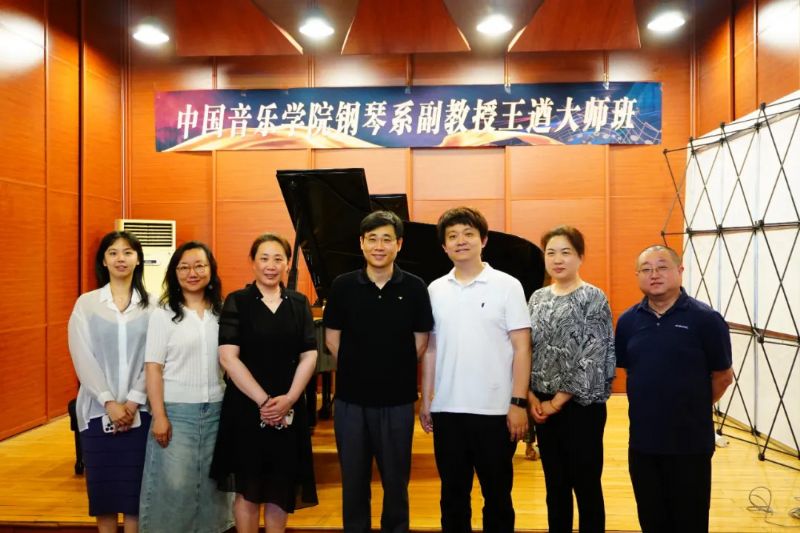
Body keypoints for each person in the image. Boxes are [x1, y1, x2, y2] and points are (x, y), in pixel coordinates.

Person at [420, 206, 531, 533]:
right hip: (447, 410)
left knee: (497, 497)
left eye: (468, 234)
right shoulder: (435, 289)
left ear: (483, 240)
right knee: (452, 498)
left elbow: (522, 348)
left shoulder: (508, 285)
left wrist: (518, 402)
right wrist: (426, 399)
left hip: (495, 412)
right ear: (444, 246)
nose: (461, 241)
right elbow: (431, 349)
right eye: (452, 236)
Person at [324, 210, 434, 533]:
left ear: (399, 244)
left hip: (397, 401)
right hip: (350, 402)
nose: (379, 246)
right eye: (372, 239)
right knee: (353, 482)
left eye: (387, 239)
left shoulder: (415, 287)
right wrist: (363, 366)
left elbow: (420, 343)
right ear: (361, 243)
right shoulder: (343, 286)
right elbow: (332, 340)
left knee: (396, 483)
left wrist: (387, 366)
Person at [615, 244, 734, 533]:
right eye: (646, 269)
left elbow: (723, 376)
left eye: (662, 267)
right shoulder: (628, 321)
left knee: (690, 521)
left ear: (680, 271)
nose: (654, 274)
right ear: (637, 275)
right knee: (651, 519)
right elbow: (631, 369)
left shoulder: (706, 319)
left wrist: (691, 406)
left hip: (690, 443)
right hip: (643, 443)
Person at [210, 233, 318, 533]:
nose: (271, 265)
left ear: (287, 264)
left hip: (289, 406)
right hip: (246, 406)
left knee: (280, 487)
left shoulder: (298, 303)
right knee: (248, 488)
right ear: (253, 262)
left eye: (278, 259)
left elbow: (309, 354)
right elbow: (228, 357)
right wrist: (265, 402)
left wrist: (289, 399)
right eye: (264, 258)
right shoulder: (238, 301)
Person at [138, 241, 233, 532]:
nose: (192, 273)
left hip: (217, 409)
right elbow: (153, 367)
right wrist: (159, 416)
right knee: (174, 486)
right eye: (184, 267)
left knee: (214, 487)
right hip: (176, 411)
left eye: (199, 265)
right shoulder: (163, 314)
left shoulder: (223, 312)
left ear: (211, 270)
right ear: (174, 273)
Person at [527, 226, 616, 533]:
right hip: (542, 405)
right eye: (550, 253)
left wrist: (556, 403)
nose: (557, 259)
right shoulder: (537, 298)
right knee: (555, 485)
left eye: (566, 252)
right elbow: (527, 349)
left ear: (580, 257)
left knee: (586, 484)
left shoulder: (593, 297)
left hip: (581, 407)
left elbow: (592, 354)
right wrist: (531, 396)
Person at [67, 231, 153, 533]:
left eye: (128, 252)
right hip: (96, 412)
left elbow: (154, 358)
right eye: (113, 252)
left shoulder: (154, 306)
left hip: (141, 413)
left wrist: (132, 401)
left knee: (134, 498)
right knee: (103, 497)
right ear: (103, 260)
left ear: (138, 259)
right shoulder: (87, 304)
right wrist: (108, 402)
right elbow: (82, 357)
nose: (120, 258)